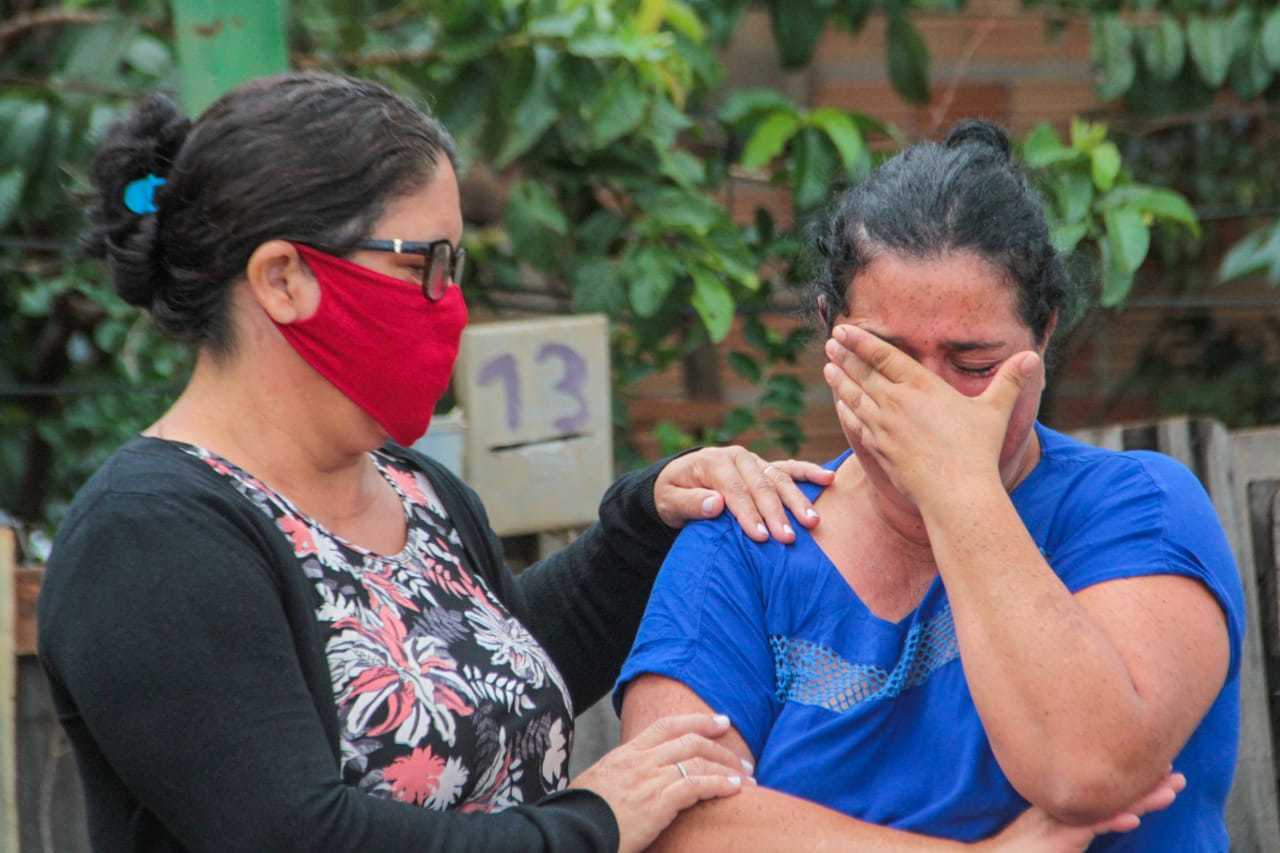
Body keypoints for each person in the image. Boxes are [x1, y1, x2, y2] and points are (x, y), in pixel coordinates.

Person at [36, 72, 840, 853]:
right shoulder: (148, 536)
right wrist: (595, 821)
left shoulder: (415, 489)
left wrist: (647, 518)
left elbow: (488, 689)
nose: (450, 302)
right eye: (425, 265)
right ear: (283, 277)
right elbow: (298, 834)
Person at [616, 120, 1241, 851]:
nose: (930, 404)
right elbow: (669, 819)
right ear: (830, 331)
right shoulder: (746, 544)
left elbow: (1084, 767)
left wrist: (959, 487)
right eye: (887, 363)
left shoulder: (1138, 510)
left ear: (1043, 335)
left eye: (973, 366)